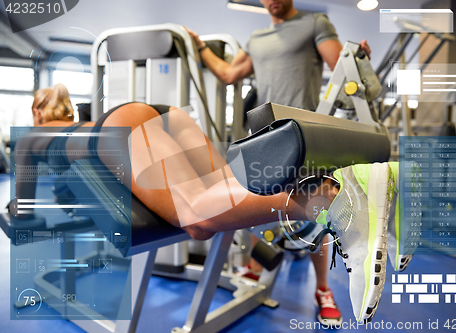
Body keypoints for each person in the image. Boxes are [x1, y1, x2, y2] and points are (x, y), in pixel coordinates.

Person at [11, 84, 395, 323]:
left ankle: (339, 192)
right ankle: (347, 193)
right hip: (165, 115)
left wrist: (19, 213)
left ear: (37, 111)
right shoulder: (74, 124)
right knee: (224, 191)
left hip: (123, 126)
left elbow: (23, 207)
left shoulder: (31, 135)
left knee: (195, 214)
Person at [185, 0, 371, 326]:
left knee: (314, 211)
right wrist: (199, 46)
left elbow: (340, 66)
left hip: (303, 134)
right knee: (257, 202)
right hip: (264, 134)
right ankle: (256, 270)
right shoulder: (256, 38)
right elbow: (229, 74)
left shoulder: (316, 23)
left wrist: (358, 63)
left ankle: (323, 289)